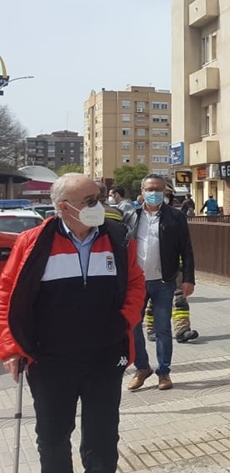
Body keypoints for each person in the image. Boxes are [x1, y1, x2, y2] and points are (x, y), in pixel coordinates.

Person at [0, 173, 145, 472]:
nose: (100, 205)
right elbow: (6, 296)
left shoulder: (118, 237)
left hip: (104, 357)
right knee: (53, 438)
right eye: (91, 201)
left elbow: (135, 284)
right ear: (64, 207)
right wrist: (11, 347)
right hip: (50, 360)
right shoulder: (33, 242)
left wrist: (123, 320)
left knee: (103, 439)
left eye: (100, 198)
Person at [124, 174, 197, 391]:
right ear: (142, 190)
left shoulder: (175, 217)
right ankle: (142, 368)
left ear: (165, 192)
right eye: (149, 189)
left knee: (163, 329)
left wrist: (189, 279)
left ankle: (164, 372)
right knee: (133, 326)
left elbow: (187, 250)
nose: (153, 193)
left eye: (158, 189)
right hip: (136, 282)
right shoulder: (130, 215)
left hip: (164, 281)